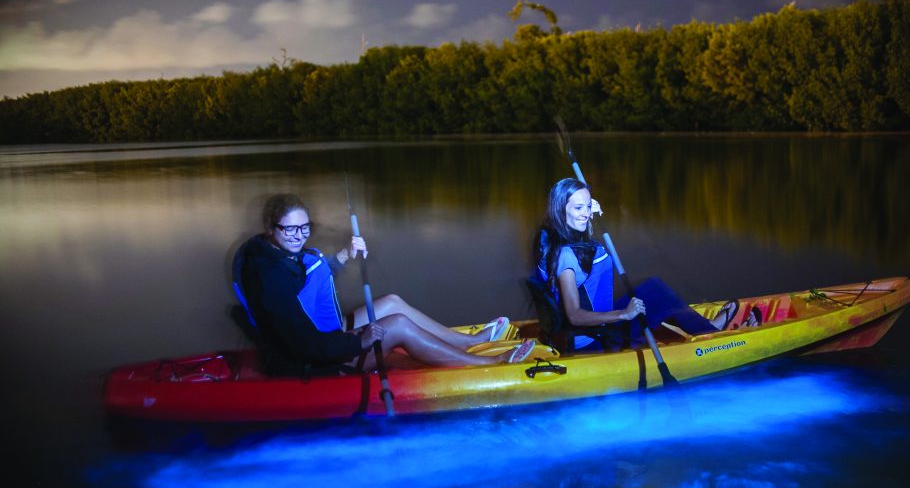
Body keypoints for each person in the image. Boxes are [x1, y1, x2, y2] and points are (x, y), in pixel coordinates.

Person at [236, 193, 535, 374]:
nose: (299, 235)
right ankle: (491, 366)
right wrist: (359, 340)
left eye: (304, 227)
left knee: (391, 302)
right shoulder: (268, 278)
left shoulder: (277, 254)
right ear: (269, 227)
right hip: (314, 362)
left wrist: (344, 256)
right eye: (290, 228)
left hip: (326, 335)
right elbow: (303, 342)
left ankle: (470, 343)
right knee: (398, 326)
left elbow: (309, 284)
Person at [533, 178, 757, 352]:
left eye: (587, 206)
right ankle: (714, 336)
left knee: (652, 289)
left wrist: (586, 210)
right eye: (577, 208)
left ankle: (708, 327)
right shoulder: (566, 256)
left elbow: (571, 222)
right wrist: (624, 314)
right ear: (561, 211)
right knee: (657, 294)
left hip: (592, 327)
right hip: (593, 340)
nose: (585, 213)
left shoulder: (552, 238)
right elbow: (574, 316)